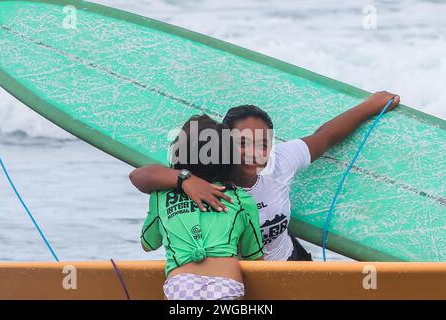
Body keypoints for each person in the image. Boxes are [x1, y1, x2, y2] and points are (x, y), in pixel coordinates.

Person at [131, 91, 400, 261]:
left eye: (262, 144)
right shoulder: (206, 174)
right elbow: (141, 176)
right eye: (243, 143)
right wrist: (185, 180)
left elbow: (324, 137)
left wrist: (370, 106)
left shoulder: (280, 161)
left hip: (288, 264)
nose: (254, 153)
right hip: (233, 281)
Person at [140, 115, 263, 300]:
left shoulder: (161, 196)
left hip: (180, 287)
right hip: (226, 285)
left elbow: (147, 244)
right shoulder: (241, 199)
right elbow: (255, 259)